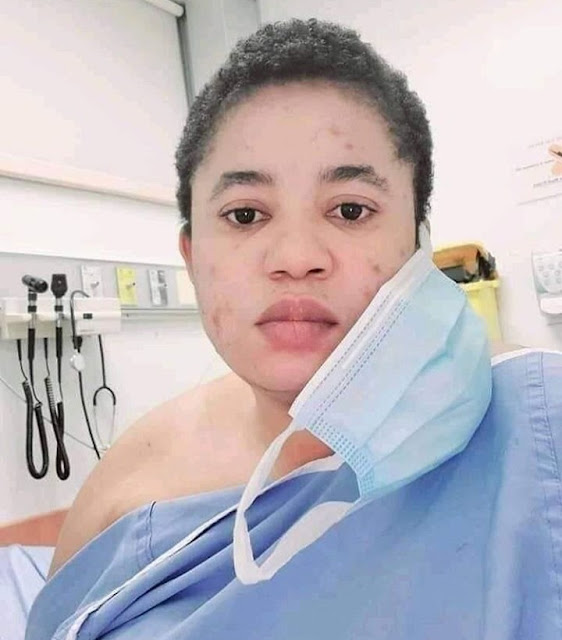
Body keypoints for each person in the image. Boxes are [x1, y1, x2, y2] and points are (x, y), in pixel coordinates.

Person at [27, 18, 561, 640]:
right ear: (192, 258)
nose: (296, 257)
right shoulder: (128, 491)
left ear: (418, 245)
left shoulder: (536, 426)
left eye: (351, 209)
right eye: (245, 215)